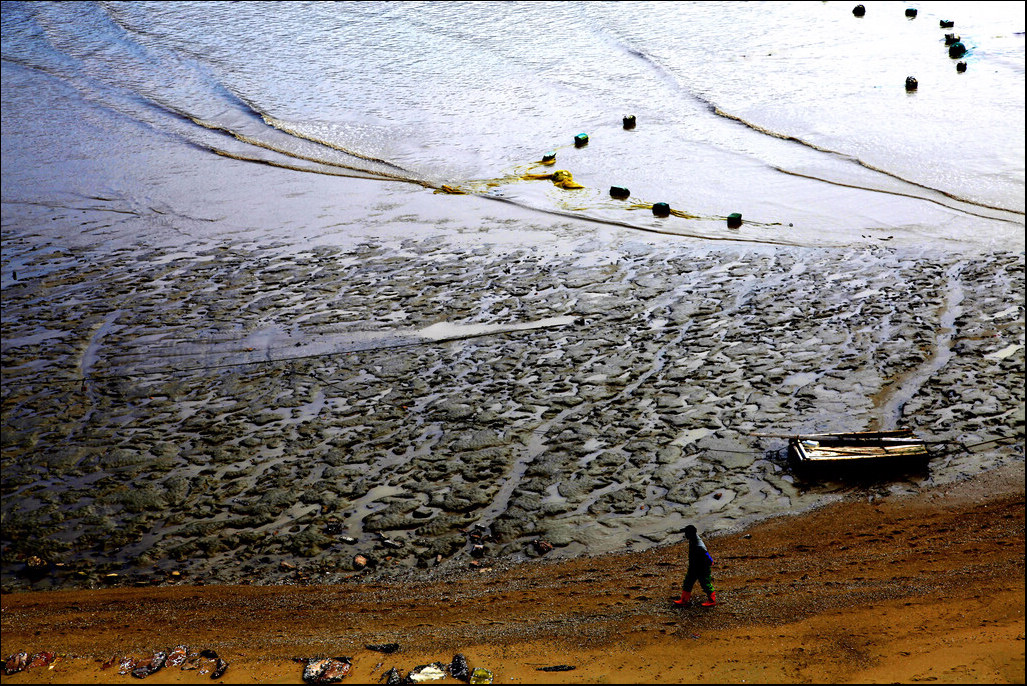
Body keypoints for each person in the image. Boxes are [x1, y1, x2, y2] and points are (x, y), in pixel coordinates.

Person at [672, 525, 716, 607]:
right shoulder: (693, 539)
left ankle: (712, 600)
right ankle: (684, 600)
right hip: (693, 566)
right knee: (688, 582)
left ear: (690, 534)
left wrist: (710, 562)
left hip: (702, 567)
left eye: (686, 533)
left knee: (705, 583)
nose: (685, 535)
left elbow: (706, 555)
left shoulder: (699, 545)